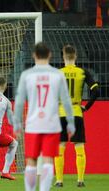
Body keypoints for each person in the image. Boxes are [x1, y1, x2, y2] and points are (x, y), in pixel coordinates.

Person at [13, 42, 75, 191]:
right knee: (48, 161)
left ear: (34, 55)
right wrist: (70, 122)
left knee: (31, 161)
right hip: (51, 124)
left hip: (33, 124)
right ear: (49, 55)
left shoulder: (26, 75)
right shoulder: (57, 74)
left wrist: (17, 124)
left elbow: (19, 101)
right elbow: (66, 101)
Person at [54, 45, 99, 188]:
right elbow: (96, 90)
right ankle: (80, 180)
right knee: (79, 147)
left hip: (61, 113)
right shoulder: (82, 72)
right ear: (76, 56)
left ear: (63, 57)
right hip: (76, 112)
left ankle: (59, 181)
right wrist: (86, 106)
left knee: (60, 147)